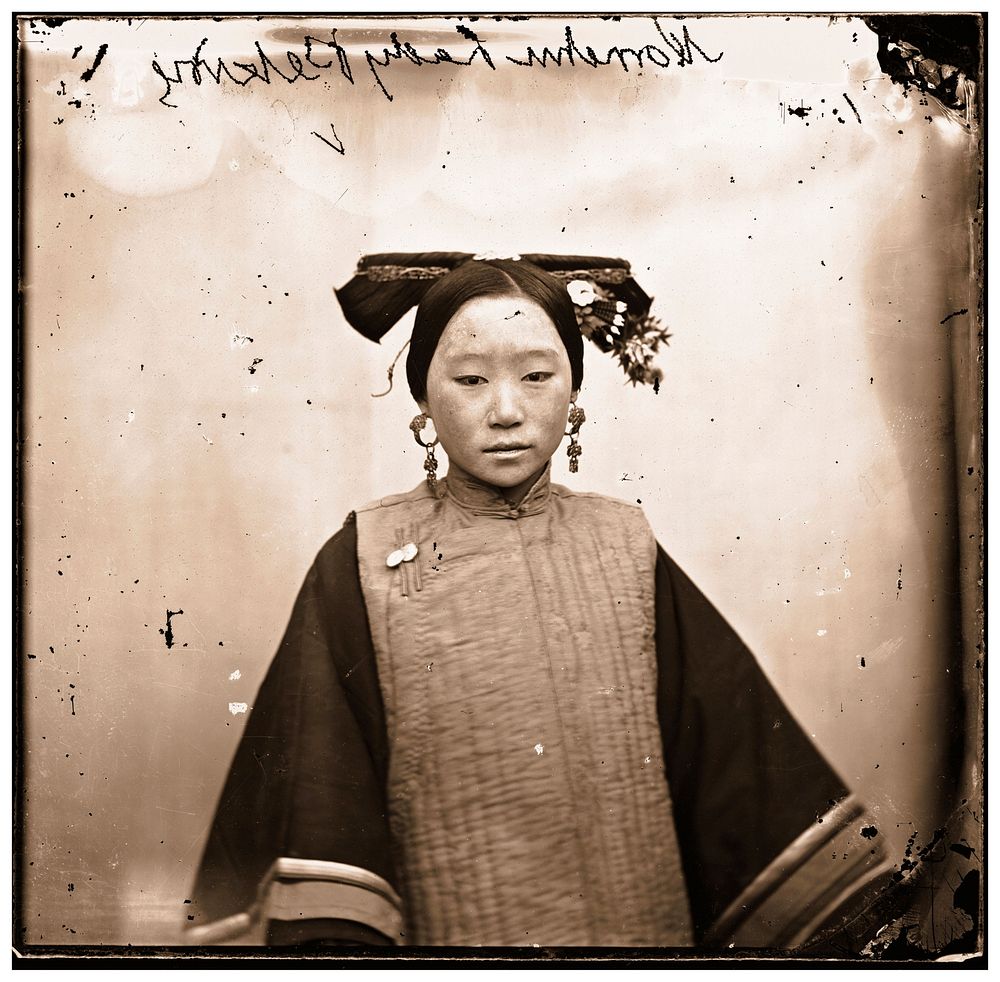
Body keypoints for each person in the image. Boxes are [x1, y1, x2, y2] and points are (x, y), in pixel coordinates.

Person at [184, 252, 892, 949]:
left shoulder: (626, 545)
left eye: (536, 376)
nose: (505, 410)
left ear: (574, 393)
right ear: (423, 399)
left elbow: (742, 774)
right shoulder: (365, 557)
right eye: (468, 379)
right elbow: (320, 795)